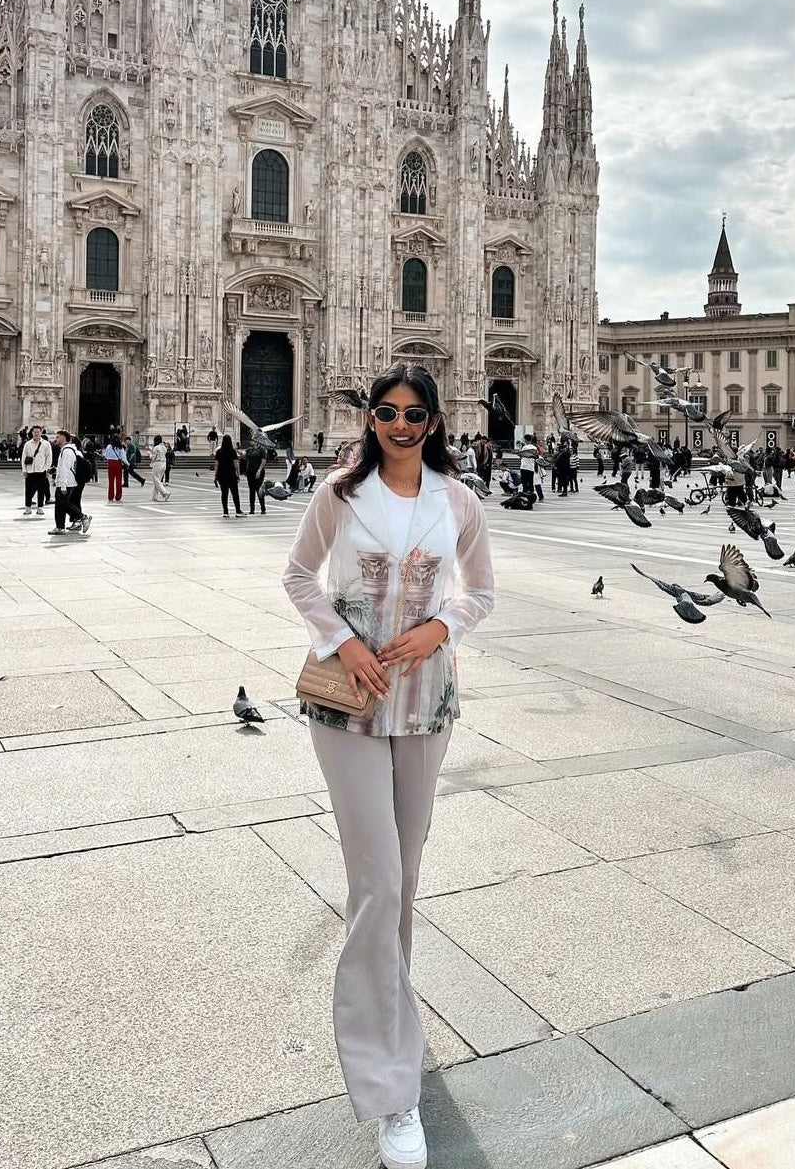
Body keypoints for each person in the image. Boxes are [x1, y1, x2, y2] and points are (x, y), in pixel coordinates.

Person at [282, 363, 494, 1169]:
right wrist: (342, 640)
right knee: (376, 882)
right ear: (369, 419)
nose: (399, 424)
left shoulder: (458, 500)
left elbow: (481, 591)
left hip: (425, 700)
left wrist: (442, 626)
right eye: (386, 412)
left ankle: (393, 1016)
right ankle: (388, 1087)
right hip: (349, 703)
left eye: (413, 413)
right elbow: (298, 575)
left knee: (401, 878)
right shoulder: (338, 493)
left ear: (434, 422)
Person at [49, 431, 91, 535]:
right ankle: (60, 527)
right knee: (61, 505)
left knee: (64, 504)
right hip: (67, 482)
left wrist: (62, 485)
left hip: (66, 483)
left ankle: (82, 517)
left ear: (63, 438)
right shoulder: (69, 450)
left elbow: (65, 469)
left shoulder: (67, 451)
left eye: (58, 437)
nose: (56, 439)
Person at [20, 424, 52, 515]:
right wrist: (24, 470)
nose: (36, 434)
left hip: (41, 470)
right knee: (28, 490)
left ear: (41, 432)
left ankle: (40, 508)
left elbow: (49, 457)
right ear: (32, 433)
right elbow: (23, 457)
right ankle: (28, 508)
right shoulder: (27, 444)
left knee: (41, 490)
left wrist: (46, 469)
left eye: (38, 432)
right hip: (30, 470)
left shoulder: (46, 444)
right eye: (34, 432)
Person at [214, 434, 245, 517]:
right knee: (235, 493)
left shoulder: (219, 452)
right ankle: (238, 511)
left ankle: (225, 512)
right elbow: (236, 463)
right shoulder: (232, 451)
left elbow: (216, 464)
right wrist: (238, 474)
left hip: (221, 475)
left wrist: (215, 475)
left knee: (224, 494)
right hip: (231, 474)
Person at [245, 440, 268, 515]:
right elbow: (245, 457)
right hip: (250, 472)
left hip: (258, 472)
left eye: (252, 441)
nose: (250, 442)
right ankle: (252, 509)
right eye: (250, 441)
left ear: (256, 442)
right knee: (251, 491)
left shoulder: (261, 450)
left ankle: (263, 508)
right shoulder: (249, 450)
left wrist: (259, 470)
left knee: (259, 490)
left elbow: (263, 460)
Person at [103, 437, 127, 502]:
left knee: (111, 481)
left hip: (110, 463)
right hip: (118, 463)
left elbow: (106, 455)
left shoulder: (109, 446)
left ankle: (110, 497)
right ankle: (118, 497)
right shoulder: (120, 447)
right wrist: (127, 464)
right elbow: (123, 457)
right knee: (118, 481)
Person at [150, 435, 172, 501]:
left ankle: (165, 492)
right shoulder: (164, 447)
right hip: (164, 463)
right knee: (157, 480)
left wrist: (149, 454)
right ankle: (154, 496)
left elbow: (153, 457)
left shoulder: (156, 448)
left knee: (156, 480)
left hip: (157, 463)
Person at [518, 434, 538, 499]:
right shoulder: (534, 447)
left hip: (524, 466)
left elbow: (520, 455)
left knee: (524, 481)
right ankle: (531, 494)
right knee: (530, 481)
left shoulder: (525, 447)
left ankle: (525, 493)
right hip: (531, 467)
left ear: (525, 440)